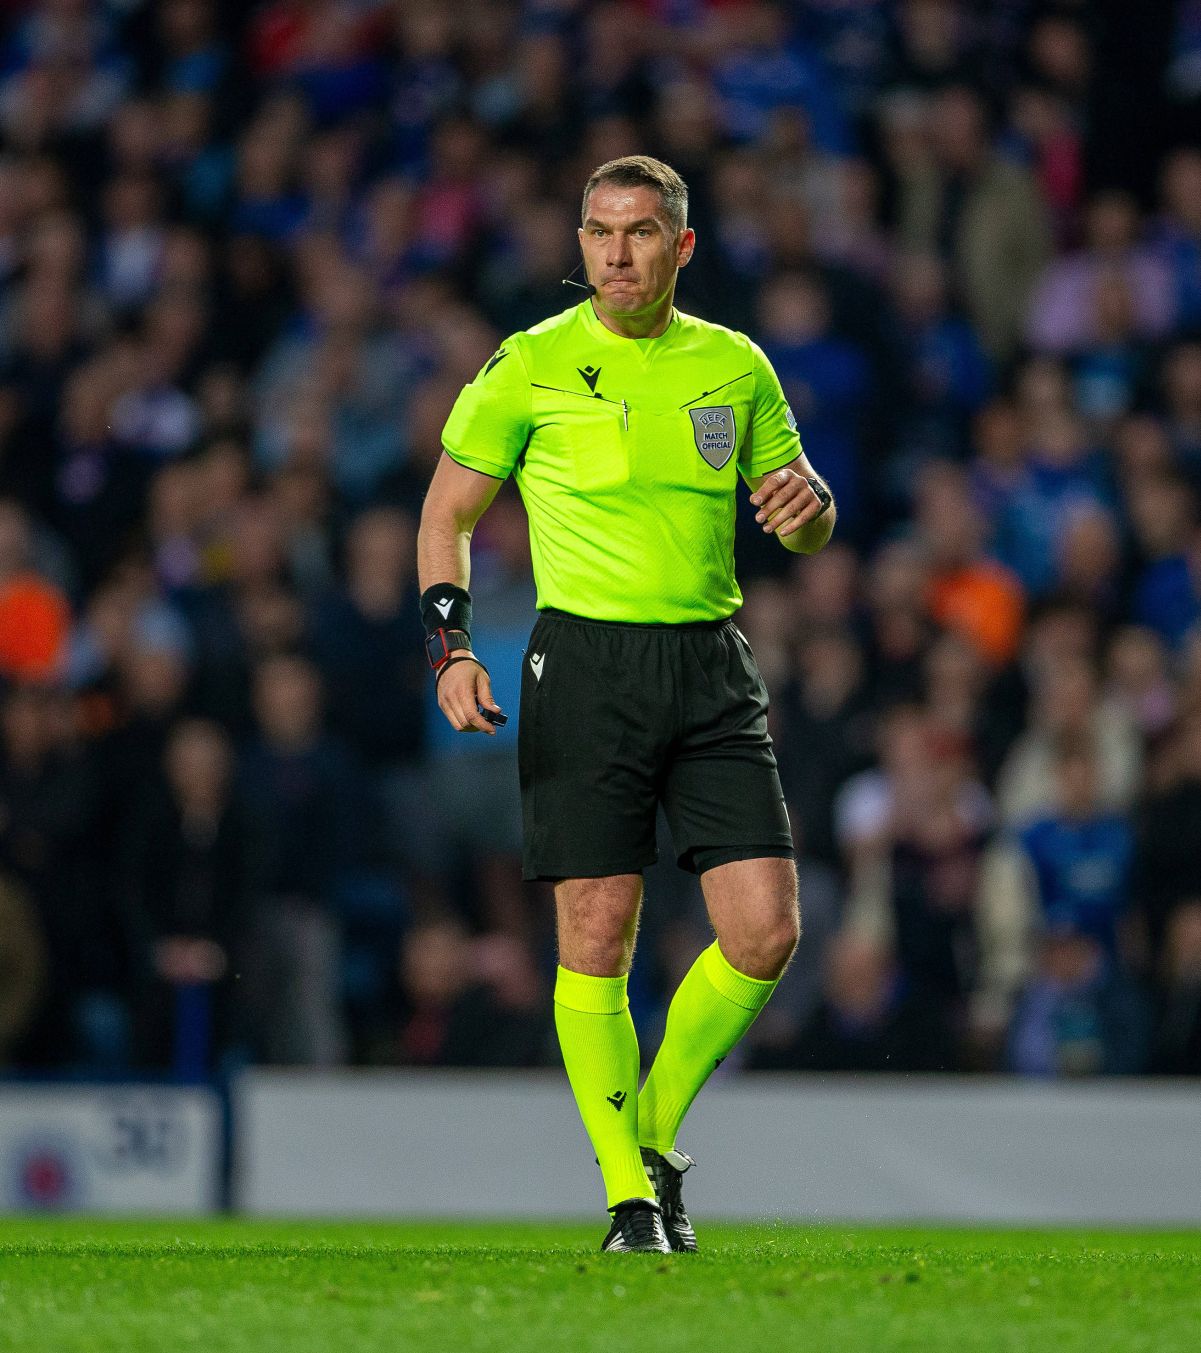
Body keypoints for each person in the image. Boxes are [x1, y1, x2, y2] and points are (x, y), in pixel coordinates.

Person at [417, 156, 835, 1253]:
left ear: (680, 247)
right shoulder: (528, 364)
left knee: (766, 931)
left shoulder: (735, 365)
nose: (615, 253)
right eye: (599, 232)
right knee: (597, 932)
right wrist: (450, 648)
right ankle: (630, 1201)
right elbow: (446, 513)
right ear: (580, 242)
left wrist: (809, 514)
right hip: (584, 665)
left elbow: (802, 513)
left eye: (640, 232)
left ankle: (647, 1135)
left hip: (709, 663)